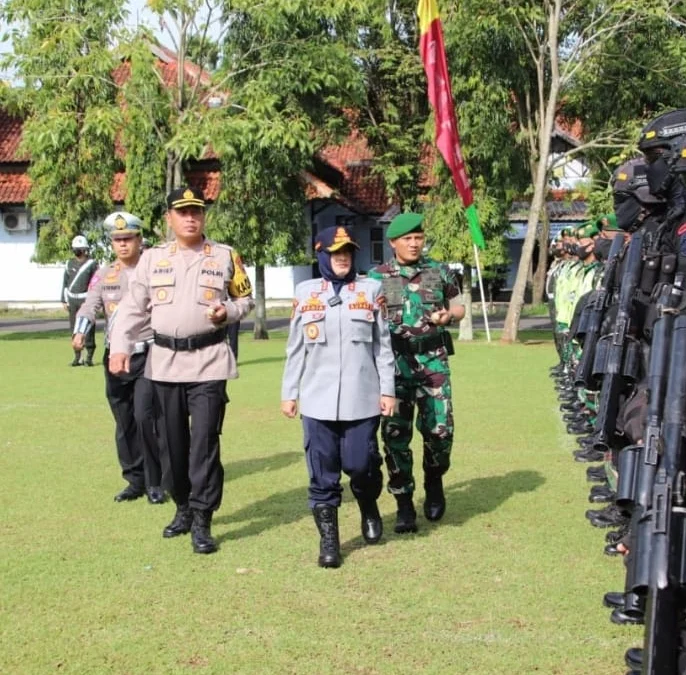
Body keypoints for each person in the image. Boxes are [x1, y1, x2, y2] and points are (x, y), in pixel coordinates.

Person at [108, 186, 254, 555]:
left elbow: (245, 298)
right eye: (183, 212)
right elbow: (132, 306)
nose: (191, 217)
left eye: (197, 211)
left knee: (204, 440)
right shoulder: (153, 258)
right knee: (172, 445)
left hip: (209, 360)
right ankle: (183, 507)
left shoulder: (224, 256)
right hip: (165, 363)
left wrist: (230, 313)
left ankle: (203, 519)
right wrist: (121, 345)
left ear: (203, 216)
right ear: (169, 218)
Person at [281, 226, 396, 568]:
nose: (342, 257)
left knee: (361, 464)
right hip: (317, 400)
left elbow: (383, 347)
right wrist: (289, 393)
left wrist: (387, 390)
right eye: (335, 252)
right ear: (322, 255)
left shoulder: (371, 290)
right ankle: (329, 541)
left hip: (362, 398)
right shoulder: (305, 293)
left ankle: (367, 503)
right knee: (322, 473)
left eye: (347, 251)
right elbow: (295, 349)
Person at [368, 212, 464, 534]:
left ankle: (434, 481)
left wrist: (448, 315)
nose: (414, 243)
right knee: (395, 438)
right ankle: (404, 503)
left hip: (433, 364)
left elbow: (460, 306)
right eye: (407, 238)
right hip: (393, 368)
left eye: (418, 237)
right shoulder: (376, 277)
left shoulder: (439, 271)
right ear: (393, 242)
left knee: (440, 432)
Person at [73, 212, 165, 504]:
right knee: (124, 421)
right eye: (117, 240)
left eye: (128, 238)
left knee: (144, 416)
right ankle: (134, 480)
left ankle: (155, 482)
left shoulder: (155, 270)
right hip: (114, 357)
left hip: (147, 353)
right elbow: (90, 305)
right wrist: (80, 331)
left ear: (139, 239)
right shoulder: (105, 273)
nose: (123, 245)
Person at [62, 234, 99, 366]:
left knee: (88, 328)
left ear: (85, 249)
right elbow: (65, 283)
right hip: (72, 299)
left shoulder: (92, 264)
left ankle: (89, 357)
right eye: (75, 248)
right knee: (74, 328)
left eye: (80, 248)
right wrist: (63, 300)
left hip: (86, 299)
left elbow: (96, 283)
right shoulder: (69, 263)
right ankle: (77, 356)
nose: (77, 251)